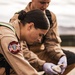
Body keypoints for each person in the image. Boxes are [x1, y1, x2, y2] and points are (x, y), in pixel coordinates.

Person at [10, 0, 75, 75]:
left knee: (71, 58)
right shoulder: (18, 18)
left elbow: (52, 42)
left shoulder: (50, 16)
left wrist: (60, 56)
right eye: (42, 2)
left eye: (48, 3)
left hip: (41, 53)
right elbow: (19, 49)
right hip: (23, 54)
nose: (45, 6)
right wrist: (42, 64)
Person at [0, 9, 51, 75]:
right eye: (40, 35)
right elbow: (21, 67)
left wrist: (43, 64)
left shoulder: (16, 35)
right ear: (30, 26)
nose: (39, 40)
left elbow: (25, 57)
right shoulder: (8, 37)